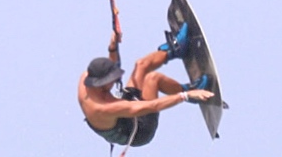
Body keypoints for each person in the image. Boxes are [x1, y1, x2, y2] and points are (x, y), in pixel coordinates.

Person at [80, 22, 213, 147]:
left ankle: (176, 48)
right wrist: (186, 96)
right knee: (152, 79)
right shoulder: (103, 108)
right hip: (140, 130)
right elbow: (151, 106)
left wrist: (113, 46)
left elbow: (111, 66)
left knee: (141, 65)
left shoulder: (87, 76)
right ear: (101, 83)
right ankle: (194, 90)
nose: (115, 80)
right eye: (111, 79)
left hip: (122, 112)